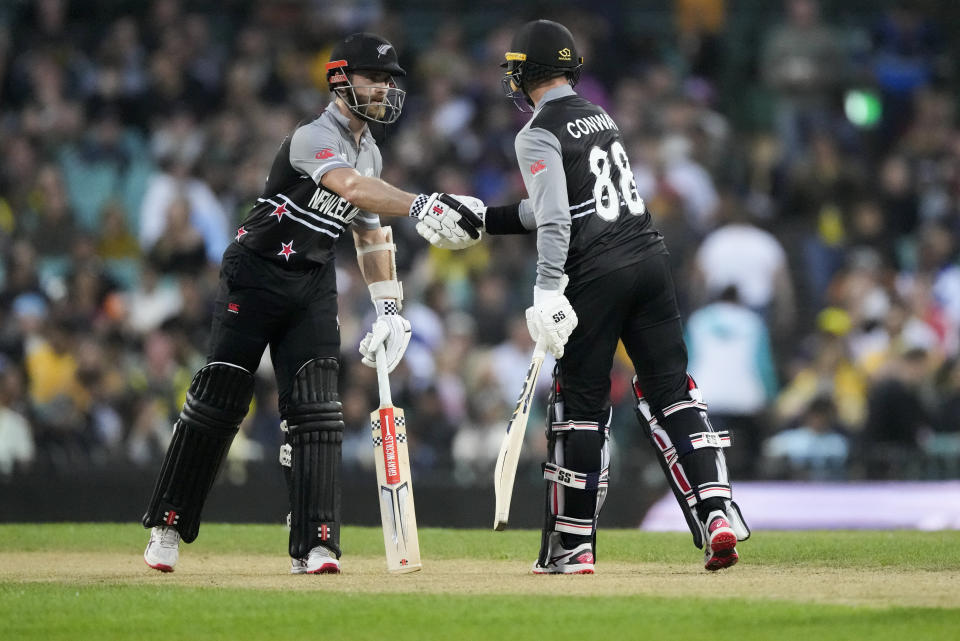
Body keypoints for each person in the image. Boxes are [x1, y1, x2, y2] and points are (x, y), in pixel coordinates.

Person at [141, 32, 482, 575]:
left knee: (319, 411)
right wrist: (421, 203)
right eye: (377, 78)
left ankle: (316, 543)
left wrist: (389, 306)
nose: (387, 89)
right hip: (254, 275)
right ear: (341, 79)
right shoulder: (311, 136)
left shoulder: (370, 148)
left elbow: (370, 235)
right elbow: (350, 189)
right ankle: (167, 525)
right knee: (222, 397)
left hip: (312, 281)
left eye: (392, 80)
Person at [425, 20, 749, 572]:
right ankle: (717, 511)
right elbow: (566, 204)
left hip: (595, 273)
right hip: (648, 259)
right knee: (672, 393)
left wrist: (547, 287)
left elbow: (555, 219)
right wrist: (484, 218)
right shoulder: (601, 117)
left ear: (525, 71)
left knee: (579, 409)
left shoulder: (536, 132)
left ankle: (572, 546)